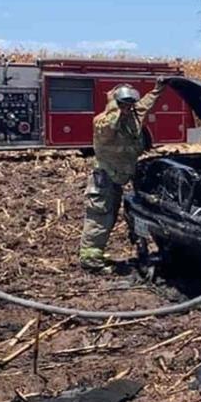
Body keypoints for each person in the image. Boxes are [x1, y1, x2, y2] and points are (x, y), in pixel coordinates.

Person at [79, 82, 164, 271]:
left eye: (129, 105)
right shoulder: (103, 121)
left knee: (110, 216)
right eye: (123, 105)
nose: (127, 109)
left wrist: (159, 88)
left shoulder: (132, 117)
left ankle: (96, 253)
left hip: (119, 178)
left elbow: (145, 104)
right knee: (100, 217)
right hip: (105, 178)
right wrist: (114, 105)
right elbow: (111, 123)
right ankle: (90, 261)